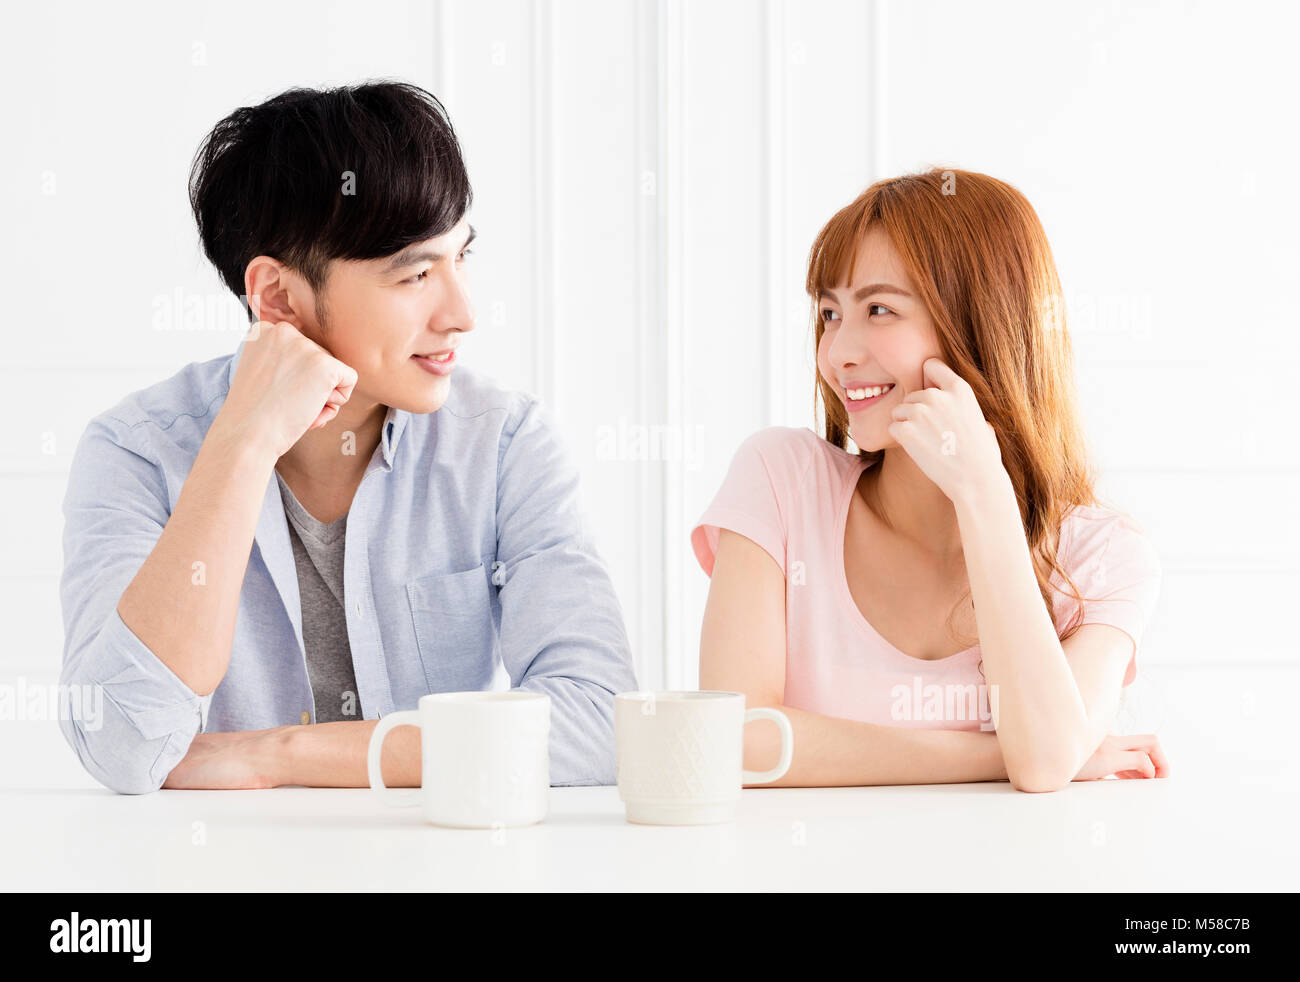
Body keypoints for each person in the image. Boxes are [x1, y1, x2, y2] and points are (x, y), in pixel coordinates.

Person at [58, 80, 637, 794]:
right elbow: (122, 743)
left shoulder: (505, 443)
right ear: (277, 298)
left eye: (462, 258)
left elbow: (603, 726)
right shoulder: (138, 452)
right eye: (416, 274)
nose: (463, 313)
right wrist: (242, 443)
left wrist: (278, 756)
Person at [692, 168, 1169, 792]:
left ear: (981, 322)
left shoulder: (1102, 555)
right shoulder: (780, 481)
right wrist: (996, 754)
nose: (838, 353)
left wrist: (984, 495)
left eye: (879, 309)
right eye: (831, 313)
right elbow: (739, 742)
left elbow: (1045, 762)